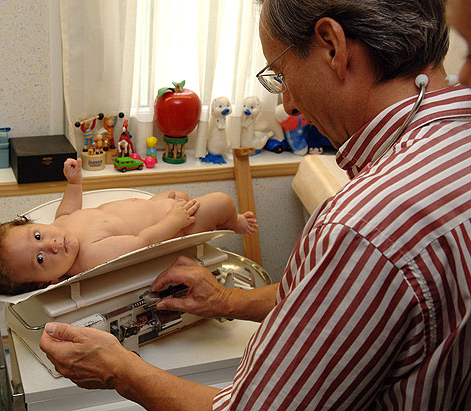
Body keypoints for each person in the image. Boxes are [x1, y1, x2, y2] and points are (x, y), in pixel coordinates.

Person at [39, 0, 471, 409]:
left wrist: (120, 370)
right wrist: (227, 300)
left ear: (332, 47)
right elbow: (344, 306)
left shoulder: (361, 228)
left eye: (281, 74)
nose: (289, 104)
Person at [0, 158, 257, 295]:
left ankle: (179, 206)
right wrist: (173, 221)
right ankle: (235, 222)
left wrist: (74, 183)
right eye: (41, 259)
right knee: (221, 202)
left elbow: (68, 207)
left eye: (37, 235)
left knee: (176, 194)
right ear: (47, 283)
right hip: (177, 227)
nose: (50, 244)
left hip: (155, 206)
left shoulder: (60, 226)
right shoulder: (89, 256)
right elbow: (142, 242)